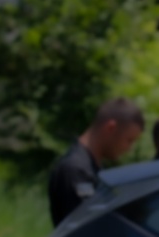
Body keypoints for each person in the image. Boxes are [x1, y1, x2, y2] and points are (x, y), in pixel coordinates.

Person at [48, 97, 144, 226]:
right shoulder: (75, 170)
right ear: (111, 128)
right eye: (129, 140)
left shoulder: (94, 167)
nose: (129, 149)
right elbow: (88, 227)